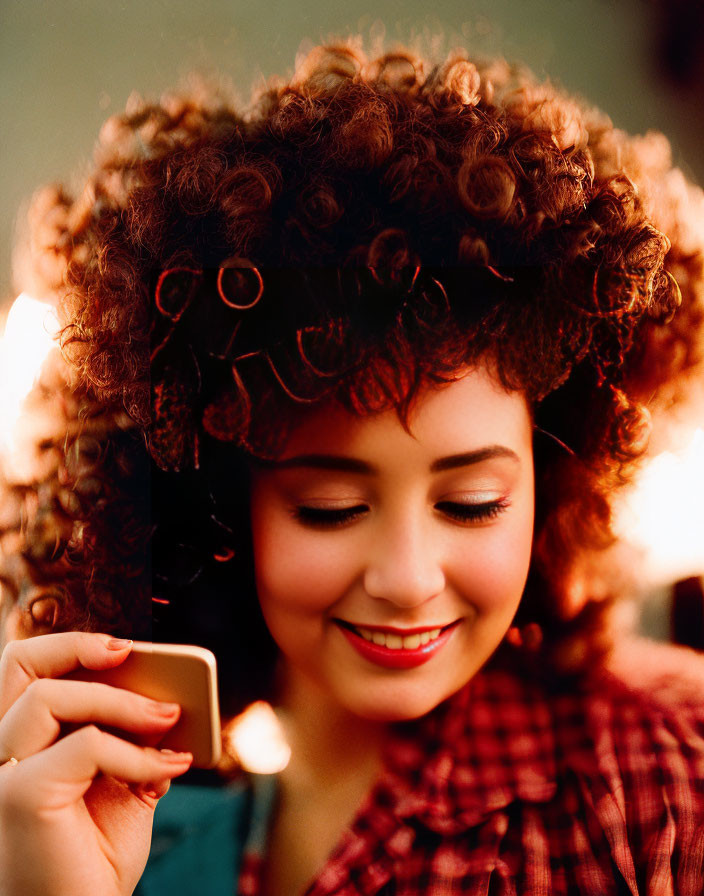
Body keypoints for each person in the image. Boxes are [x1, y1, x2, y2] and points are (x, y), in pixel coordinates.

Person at [1, 39, 703, 896]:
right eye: (332, 507)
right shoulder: (114, 830)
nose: (408, 581)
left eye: (475, 503)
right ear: (222, 510)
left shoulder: (663, 769)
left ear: (555, 481)